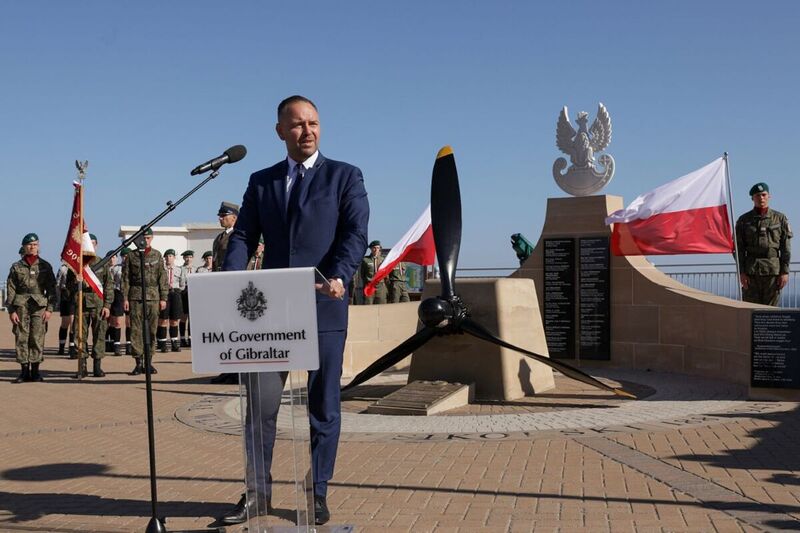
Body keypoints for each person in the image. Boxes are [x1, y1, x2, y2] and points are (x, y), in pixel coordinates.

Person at [219, 95, 369, 526]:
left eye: (314, 123)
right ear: (280, 131)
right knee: (260, 407)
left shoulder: (345, 176)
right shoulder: (262, 181)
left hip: (324, 305)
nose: (308, 131)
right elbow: (243, 236)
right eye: (299, 124)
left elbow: (355, 233)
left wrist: (340, 273)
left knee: (323, 408)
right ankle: (257, 493)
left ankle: (316, 492)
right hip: (270, 314)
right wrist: (231, 278)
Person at [5, 233, 57, 383]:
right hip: (21, 305)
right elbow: (11, 289)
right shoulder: (16, 267)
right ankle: (23, 372)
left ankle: (35, 372)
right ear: (24, 247)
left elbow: (52, 289)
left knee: (37, 337)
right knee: (21, 337)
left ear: (38, 246)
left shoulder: (45, 266)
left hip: (39, 306)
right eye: (29, 245)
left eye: (35, 244)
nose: (32, 247)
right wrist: (11, 310)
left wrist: (49, 309)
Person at [65, 235, 115, 378]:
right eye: (87, 244)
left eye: (92, 244)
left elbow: (109, 286)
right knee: (80, 336)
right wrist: (75, 281)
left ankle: (97, 366)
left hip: (98, 304)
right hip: (81, 304)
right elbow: (67, 288)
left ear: (96, 245)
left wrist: (107, 306)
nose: (90, 246)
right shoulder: (75, 264)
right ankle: (82, 367)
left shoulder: (102, 262)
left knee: (99, 335)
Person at [735, 182, 793, 306]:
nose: (761, 198)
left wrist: (784, 272)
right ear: (752, 198)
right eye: (757, 195)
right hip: (751, 272)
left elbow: (786, 248)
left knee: (770, 312)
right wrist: (742, 272)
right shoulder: (743, 220)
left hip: (773, 272)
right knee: (750, 309)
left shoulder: (780, 219)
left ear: (769, 196)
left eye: (763, 195)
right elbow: (738, 248)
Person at [122, 229, 168, 375]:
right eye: (144, 238)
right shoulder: (132, 255)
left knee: (152, 330)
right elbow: (125, 278)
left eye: (148, 238)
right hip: (136, 296)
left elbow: (162, 277)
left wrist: (164, 297)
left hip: (153, 296)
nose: (146, 240)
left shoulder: (157, 255)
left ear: (152, 238)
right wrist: (125, 298)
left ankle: (148, 362)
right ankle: (138, 363)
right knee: (136, 330)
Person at [157, 249, 185, 352]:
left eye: (171, 256)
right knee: (163, 319)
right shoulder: (161, 269)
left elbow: (182, 284)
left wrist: (176, 290)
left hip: (175, 294)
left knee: (174, 320)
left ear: (174, 258)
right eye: (167, 256)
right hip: (164, 294)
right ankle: (162, 344)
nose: (169, 258)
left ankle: (174, 343)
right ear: (164, 258)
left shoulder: (179, 269)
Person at [56, 261, 77, 357]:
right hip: (65, 295)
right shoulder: (62, 269)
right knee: (65, 323)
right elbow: (57, 285)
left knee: (73, 322)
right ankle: (61, 347)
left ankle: (72, 347)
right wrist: (58, 300)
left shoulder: (78, 267)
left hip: (75, 295)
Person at [213, 202, 239, 272]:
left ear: (234, 217)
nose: (220, 218)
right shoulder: (218, 237)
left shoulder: (238, 236)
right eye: (219, 216)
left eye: (223, 215)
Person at [360, 240, 387, 304]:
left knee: (382, 305)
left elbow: (386, 274)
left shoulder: (383, 260)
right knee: (368, 304)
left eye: (378, 248)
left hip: (380, 286)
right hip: (369, 285)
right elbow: (362, 274)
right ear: (371, 249)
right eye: (374, 248)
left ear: (379, 249)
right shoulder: (365, 260)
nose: (376, 250)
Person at [179, 250, 194, 347]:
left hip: (193, 292)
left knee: (191, 317)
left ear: (193, 258)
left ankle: (191, 338)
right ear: (184, 258)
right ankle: (182, 338)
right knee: (183, 316)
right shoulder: (180, 269)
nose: (188, 259)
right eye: (186, 257)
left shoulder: (196, 269)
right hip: (183, 292)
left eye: (190, 257)